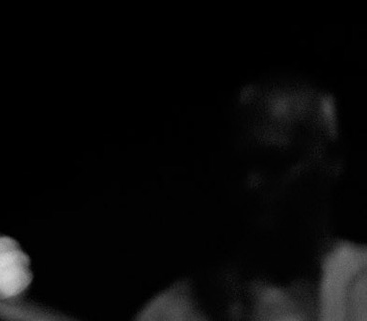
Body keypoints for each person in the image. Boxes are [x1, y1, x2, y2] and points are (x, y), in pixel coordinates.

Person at [136, 72, 365, 321]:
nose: (251, 184)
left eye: (275, 163)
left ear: (332, 160)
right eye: (242, 165)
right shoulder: (181, 310)